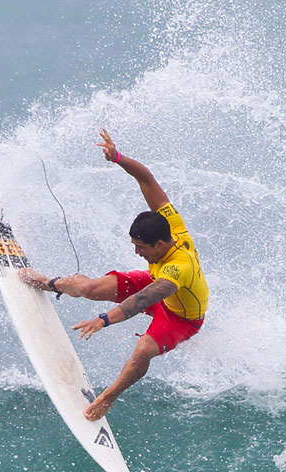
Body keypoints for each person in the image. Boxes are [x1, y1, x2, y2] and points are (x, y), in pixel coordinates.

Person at [20, 129, 208, 421]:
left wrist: (103, 320)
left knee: (145, 347)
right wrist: (117, 157)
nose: (137, 253)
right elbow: (147, 179)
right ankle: (47, 282)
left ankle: (107, 397)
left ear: (160, 244)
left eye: (141, 248)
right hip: (155, 285)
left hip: (180, 316)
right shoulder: (171, 224)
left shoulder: (179, 266)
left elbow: (143, 300)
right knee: (91, 288)